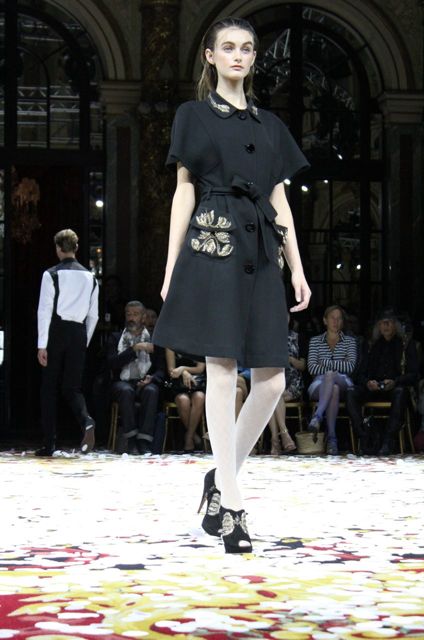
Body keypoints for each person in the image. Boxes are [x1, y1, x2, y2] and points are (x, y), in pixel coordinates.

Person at [153, 17, 311, 554]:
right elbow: (183, 191)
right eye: (228, 47)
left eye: (246, 48)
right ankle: (234, 509)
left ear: (254, 57)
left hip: (263, 250)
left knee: (271, 381)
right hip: (214, 245)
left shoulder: (271, 125)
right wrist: (170, 266)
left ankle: (220, 479)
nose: (238, 55)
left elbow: (280, 200)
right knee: (221, 372)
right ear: (210, 56)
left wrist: (297, 266)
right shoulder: (193, 115)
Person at [36, 228, 99, 456]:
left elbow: (45, 310)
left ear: (58, 248)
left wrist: (42, 344)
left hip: (57, 331)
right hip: (79, 332)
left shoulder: (51, 274)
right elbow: (94, 315)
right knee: (72, 387)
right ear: (76, 248)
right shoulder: (91, 277)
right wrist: (84, 341)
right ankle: (86, 420)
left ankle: (50, 443)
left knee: (49, 388)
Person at [346, 308, 418, 455]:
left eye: (389, 322)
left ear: (395, 325)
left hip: (394, 388)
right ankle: (364, 436)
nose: (385, 326)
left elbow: (414, 374)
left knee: (400, 392)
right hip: (374, 388)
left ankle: (388, 441)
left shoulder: (406, 344)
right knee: (350, 392)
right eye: (382, 323)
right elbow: (360, 374)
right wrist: (368, 382)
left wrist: (395, 381)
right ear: (378, 326)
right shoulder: (371, 345)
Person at [107, 301, 166, 454]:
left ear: (144, 317)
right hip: (122, 381)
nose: (131, 318)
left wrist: (152, 378)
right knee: (125, 391)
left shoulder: (154, 339)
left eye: (135, 314)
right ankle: (131, 439)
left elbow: (162, 369)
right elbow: (111, 363)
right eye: (128, 314)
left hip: (145, 381)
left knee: (151, 390)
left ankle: (144, 441)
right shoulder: (116, 337)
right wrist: (135, 348)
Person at [307, 305, 357, 455]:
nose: (336, 321)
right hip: (318, 383)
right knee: (333, 389)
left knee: (331, 375)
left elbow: (350, 367)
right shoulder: (315, 341)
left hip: (343, 380)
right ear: (325, 320)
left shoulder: (350, 341)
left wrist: (325, 363)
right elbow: (312, 368)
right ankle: (332, 439)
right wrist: (337, 365)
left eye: (339, 318)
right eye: (332, 318)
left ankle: (317, 416)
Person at [268, 321, 305, 455]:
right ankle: (283, 435)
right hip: (273, 379)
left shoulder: (297, 337)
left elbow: (303, 366)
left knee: (274, 396)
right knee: (273, 394)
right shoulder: (267, 337)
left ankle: (276, 440)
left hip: (293, 383)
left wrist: (289, 359)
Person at [165, 350, 206, 452]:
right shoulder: (171, 345)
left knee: (200, 397)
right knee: (183, 401)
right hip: (178, 384)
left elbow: (200, 368)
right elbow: (171, 371)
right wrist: (183, 373)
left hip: (196, 383)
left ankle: (189, 437)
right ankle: (194, 437)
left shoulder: (201, 343)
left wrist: (183, 369)